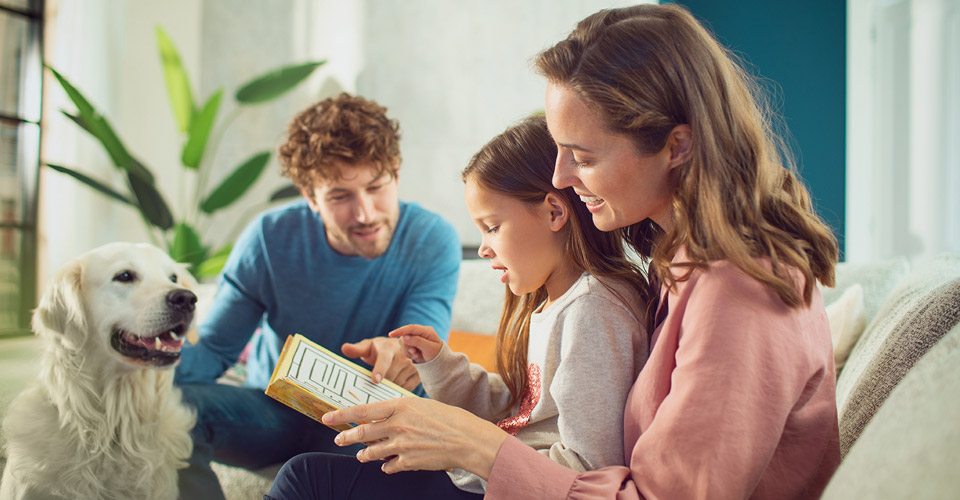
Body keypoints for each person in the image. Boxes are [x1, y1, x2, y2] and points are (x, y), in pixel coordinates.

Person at [274, 4, 842, 499]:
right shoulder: (685, 267)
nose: (561, 178)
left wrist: (470, 445)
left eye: (583, 156)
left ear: (677, 145)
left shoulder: (741, 291)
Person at [266, 115, 653, 499]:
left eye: (492, 226)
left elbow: (588, 471)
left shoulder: (592, 311)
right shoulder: (557, 304)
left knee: (307, 478)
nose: (484, 248)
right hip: (485, 480)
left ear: (554, 212)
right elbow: (520, 411)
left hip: (501, 487)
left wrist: (463, 453)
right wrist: (440, 365)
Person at [173, 93, 461, 499]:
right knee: (169, 406)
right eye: (340, 196)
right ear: (309, 196)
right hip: (273, 413)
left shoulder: (432, 240)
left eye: (376, 187)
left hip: (371, 417)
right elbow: (214, 350)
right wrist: (129, 361)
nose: (364, 213)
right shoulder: (268, 239)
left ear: (395, 174)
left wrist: (402, 352)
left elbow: (420, 339)